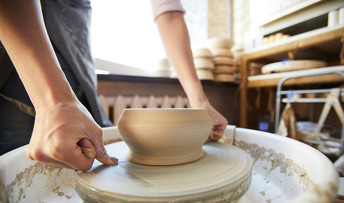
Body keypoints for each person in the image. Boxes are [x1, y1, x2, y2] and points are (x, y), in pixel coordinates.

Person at [0, 0, 228, 171]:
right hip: (17, 43)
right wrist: (54, 102)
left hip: (74, 47)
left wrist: (200, 102)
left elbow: (168, 13)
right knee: (26, 165)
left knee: (90, 150)